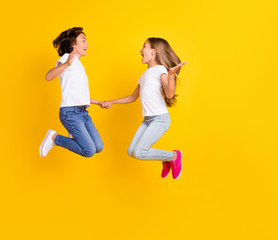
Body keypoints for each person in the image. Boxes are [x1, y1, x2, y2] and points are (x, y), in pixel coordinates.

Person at [101, 38, 186, 179]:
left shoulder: (160, 70)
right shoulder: (144, 75)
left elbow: (169, 94)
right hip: (148, 120)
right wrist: (111, 102)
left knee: (140, 152)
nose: (140, 50)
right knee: (131, 151)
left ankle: (174, 156)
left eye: (144, 47)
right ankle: (165, 159)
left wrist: (171, 77)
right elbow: (132, 97)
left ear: (154, 51)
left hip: (160, 119)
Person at [39, 27, 103, 158]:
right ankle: (54, 137)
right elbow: (48, 76)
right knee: (89, 151)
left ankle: (71, 134)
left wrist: (98, 102)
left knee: (98, 147)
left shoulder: (79, 64)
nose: (87, 44)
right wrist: (67, 64)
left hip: (82, 113)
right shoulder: (68, 58)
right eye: (83, 41)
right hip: (70, 113)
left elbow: (79, 94)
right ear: (73, 44)